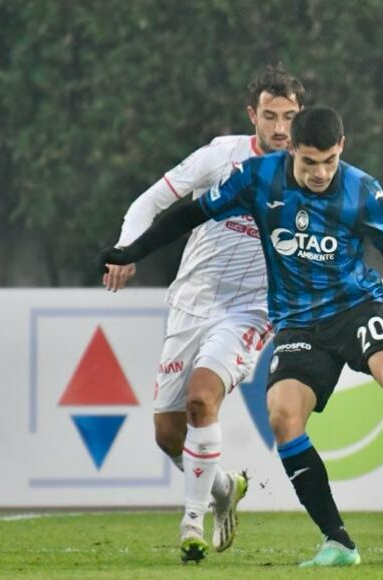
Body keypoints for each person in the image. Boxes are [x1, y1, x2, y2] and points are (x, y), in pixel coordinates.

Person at [99, 106, 383, 568]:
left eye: (329, 161)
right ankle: (338, 542)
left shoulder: (363, 190)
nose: (320, 173)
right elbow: (190, 214)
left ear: (341, 150)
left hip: (356, 307)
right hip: (298, 323)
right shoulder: (257, 177)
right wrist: (130, 249)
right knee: (284, 419)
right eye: (309, 163)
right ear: (292, 153)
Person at [101, 64, 305, 562]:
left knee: (200, 401)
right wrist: (127, 249)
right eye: (271, 116)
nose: (281, 128)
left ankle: (191, 525)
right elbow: (150, 202)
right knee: (168, 433)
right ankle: (222, 490)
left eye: (290, 117)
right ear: (251, 114)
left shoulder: (309, 172)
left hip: (251, 310)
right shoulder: (221, 157)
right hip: (191, 302)